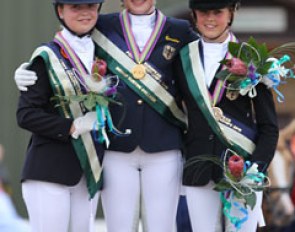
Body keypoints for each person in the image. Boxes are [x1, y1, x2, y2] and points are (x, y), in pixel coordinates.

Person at [15, 0, 199, 231]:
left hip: (163, 143)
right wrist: (28, 69)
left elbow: (207, 64)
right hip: (116, 147)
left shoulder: (179, 29)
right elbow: (63, 50)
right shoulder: (102, 25)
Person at [177, 0, 279, 231]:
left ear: (231, 14)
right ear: (194, 14)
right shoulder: (183, 59)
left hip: (241, 169)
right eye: (203, 12)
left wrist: (256, 169)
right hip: (198, 168)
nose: (210, 18)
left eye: (217, 12)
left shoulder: (251, 59)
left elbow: (269, 126)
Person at [16, 0, 106, 231]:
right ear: (60, 11)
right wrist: (71, 126)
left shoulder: (103, 54)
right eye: (76, 7)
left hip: (88, 170)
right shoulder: (46, 57)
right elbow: (25, 115)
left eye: (91, 6)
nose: (85, 12)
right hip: (49, 170)